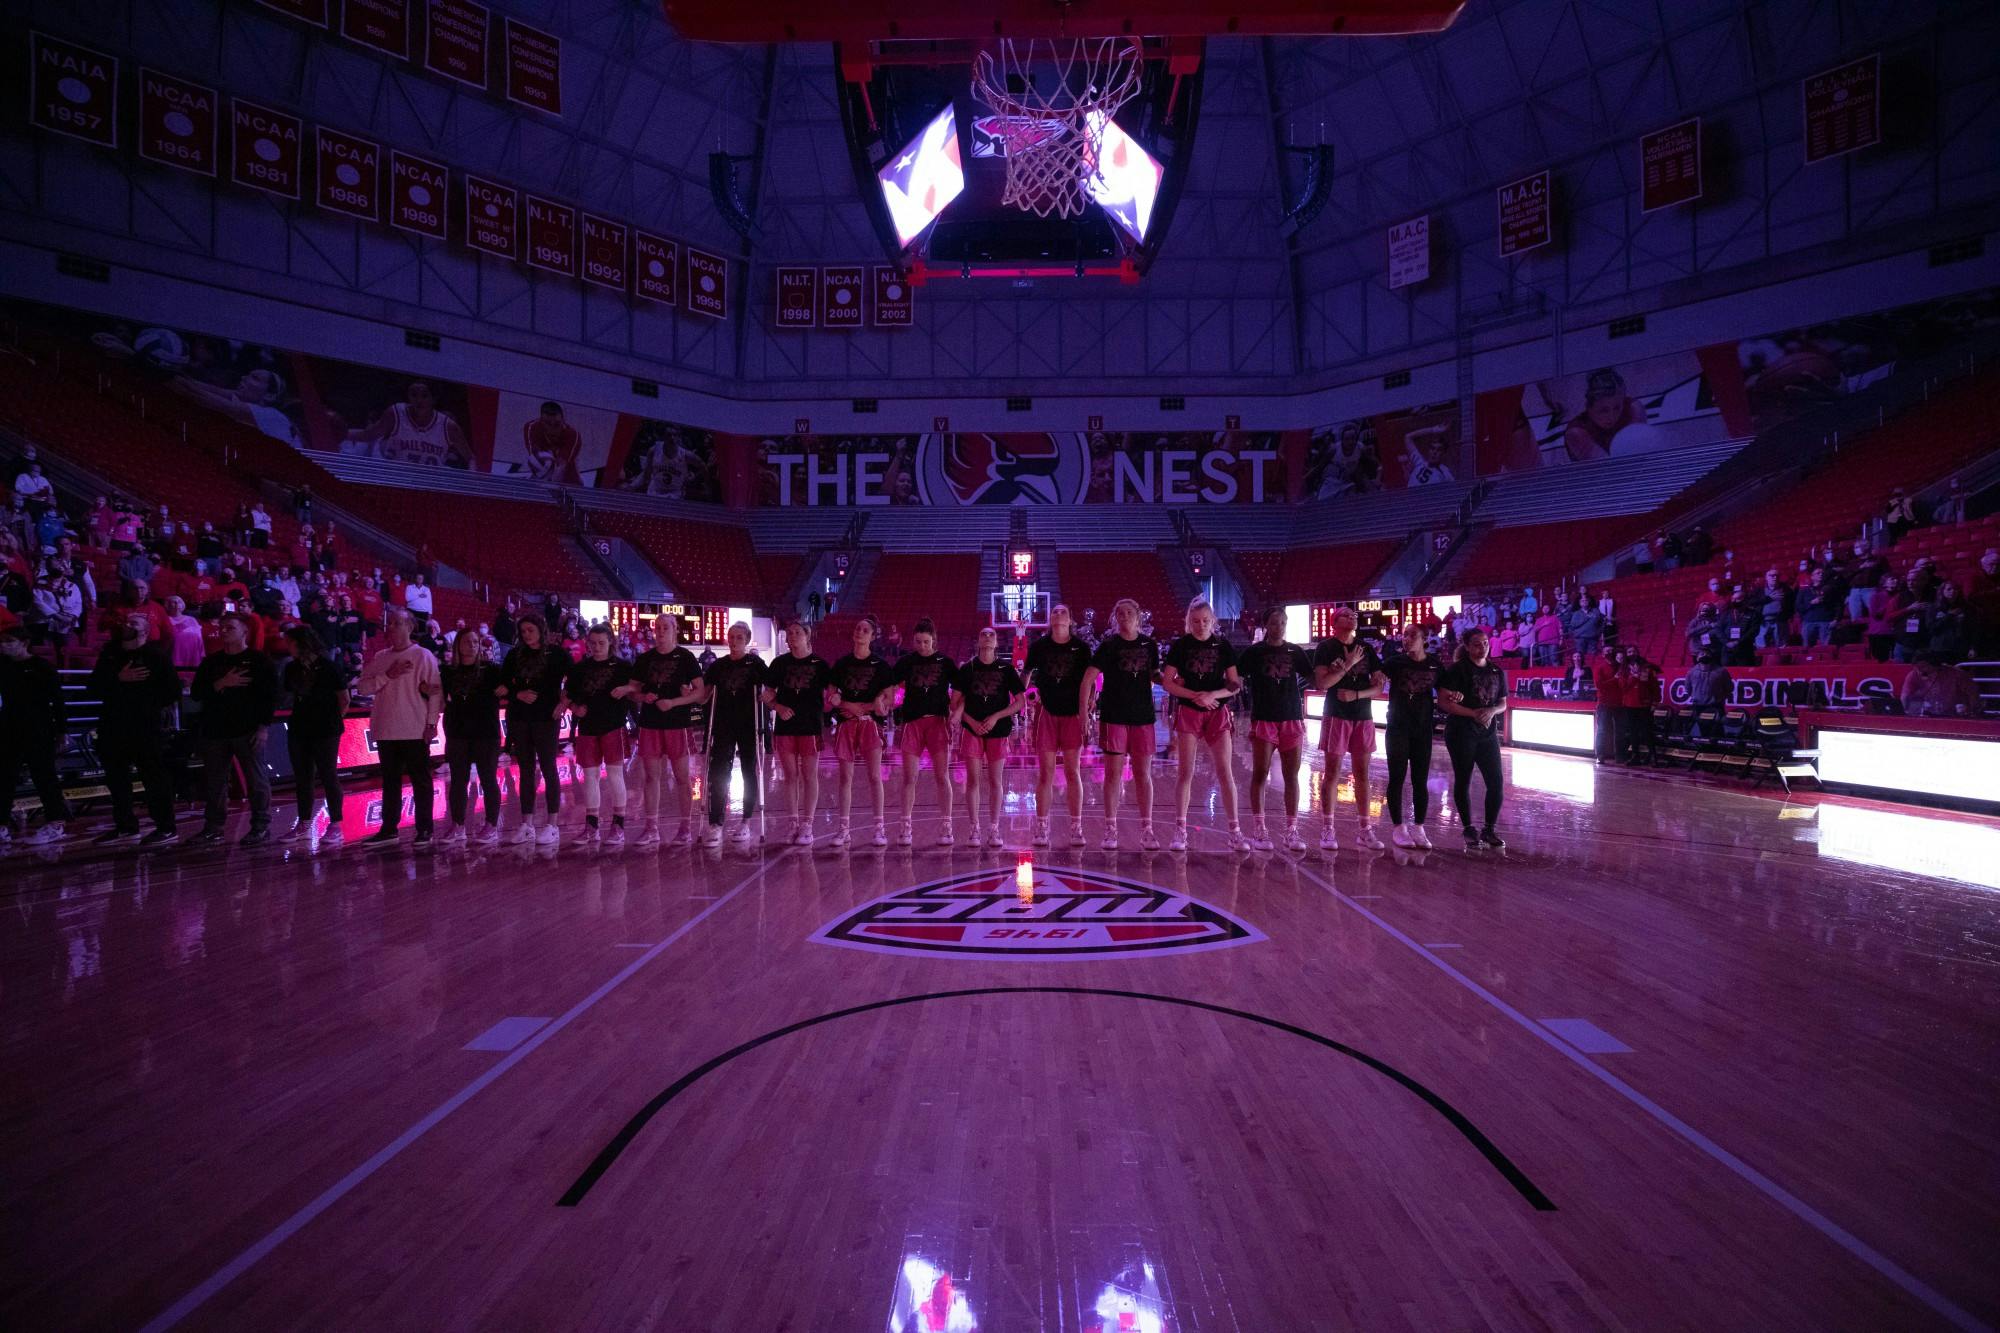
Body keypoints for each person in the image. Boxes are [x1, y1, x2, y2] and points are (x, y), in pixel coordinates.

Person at [90, 611, 184, 846]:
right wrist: (118, 678)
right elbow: (93, 687)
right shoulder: (111, 653)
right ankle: (125, 826)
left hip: (144, 725)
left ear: (145, 629)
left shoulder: (156, 656)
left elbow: (172, 690)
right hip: (112, 724)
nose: (127, 624)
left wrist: (147, 702)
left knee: (153, 776)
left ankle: (166, 827)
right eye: (126, 621)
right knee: (116, 777)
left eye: (134, 622)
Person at [1160, 597, 1247, 852]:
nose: (1201, 625)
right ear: (1189, 621)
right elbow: (1168, 681)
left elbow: (1234, 684)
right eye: (1196, 621)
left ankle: (1235, 831)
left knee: (1225, 773)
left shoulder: (1223, 645)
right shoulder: (1181, 645)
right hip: (1189, 711)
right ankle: (1180, 830)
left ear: (1213, 621)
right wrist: (1194, 696)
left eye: (1206, 621)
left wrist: (1213, 695)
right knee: (1185, 772)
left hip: (1217, 712)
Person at [189, 610, 278, 846]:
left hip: (247, 728)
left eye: (231, 628)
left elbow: (270, 697)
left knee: (256, 778)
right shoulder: (211, 662)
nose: (224, 631)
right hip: (215, 730)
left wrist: (263, 727)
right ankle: (214, 828)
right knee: (215, 781)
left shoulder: (260, 661)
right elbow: (196, 694)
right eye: (223, 627)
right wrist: (221, 683)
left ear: (245, 632)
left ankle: (261, 826)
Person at [355, 608, 441, 847]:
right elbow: (362, 688)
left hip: (414, 728)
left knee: (421, 781)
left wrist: (432, 723)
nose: (390, 627)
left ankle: (425, 829)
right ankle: (389, 829)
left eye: (396, 623)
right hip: (385, 729)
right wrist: (387, 676)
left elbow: (435, 693)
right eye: (389, 623)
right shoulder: (381, 657)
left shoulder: (424, 656)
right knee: (390, 782)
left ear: (410, 627)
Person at [1084, 598, 1161, 851]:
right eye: (1120, 613)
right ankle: (1110, 827)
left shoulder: (1150, 645)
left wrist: (1183, 686)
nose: (1125, 616)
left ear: (1138, 616)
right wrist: (1084, 710)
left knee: (1143, 775)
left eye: (1129, 612)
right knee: (1113, 776)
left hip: (1142, 717)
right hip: (1114, 716)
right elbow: (1088, 678)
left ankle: (1147, 829)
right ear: (1115, 618)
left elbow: (1157, 676)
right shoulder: (1108, 646)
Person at [1236, 606, 1314, 851]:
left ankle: (1291, 831)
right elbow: (1235, 678)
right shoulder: (1254, 652)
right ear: (1265, 625)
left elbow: (1315, 678)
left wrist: (1340, 667)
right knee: (1260, 773)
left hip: (1291, 718)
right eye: (1273, 622)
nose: (1278, 626)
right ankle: (1260, 830)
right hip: (1264, 719)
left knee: (1292, 776)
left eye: (1282, 622)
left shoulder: (1296, 652)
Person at [1313, 606, 1387, 852]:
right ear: (1335, 622)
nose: (1353, 616)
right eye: (1346, 614)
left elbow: (1379, 686)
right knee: (1332, 773)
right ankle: (1327, 829)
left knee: (1363, 774)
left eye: (1354, 615)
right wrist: (1348, 664)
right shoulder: (1326, 648)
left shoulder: (1366, 648)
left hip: (1362, 715)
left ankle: (1365, 830)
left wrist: (1357, 694)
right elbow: (1323, 683)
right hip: (1336, 716)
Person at [630, 612, 705, 849]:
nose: (661, 631)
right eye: (658, 627)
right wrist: (644, 696)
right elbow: (633, 692)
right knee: (651, 777)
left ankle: (685, 829)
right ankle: (651, 828)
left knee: (683, 778)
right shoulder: (644, 659)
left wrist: (673, 703)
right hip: (650, 724)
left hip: (677, 724)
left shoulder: (686, 657)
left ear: (674, 630)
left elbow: (700, 692)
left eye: (666, 627)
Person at [0, 616, 74, 846]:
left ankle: (56, 823)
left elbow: (58, 701)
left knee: (44, 776)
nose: (3, 645)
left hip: (39, 730)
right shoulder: (2, 667)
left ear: (24, 643)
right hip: (9, 729)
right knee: (4, 777)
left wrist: (62, 731)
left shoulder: (42, 668)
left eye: (9, 641)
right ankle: (2, 825)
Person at [563, 624, 639, 849]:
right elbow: (567, 696)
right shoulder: (580, 669)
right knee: (590, 777)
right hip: (587, 728)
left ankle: (618, 826)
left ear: (610, 643)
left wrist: (626, 691)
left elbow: (636, 690)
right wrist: (575, 708)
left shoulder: (623, 667)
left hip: (614, 727)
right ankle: (592, 826)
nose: (596, 647)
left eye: (601, 643)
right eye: (593, 643)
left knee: (616, 775)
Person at [1025, 604, 1093, 848]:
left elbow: (1090, 680)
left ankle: (1076, 827)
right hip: (1047, 714)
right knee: (1046, 774)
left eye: (1063, 611)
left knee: (1073, 772)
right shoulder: (1039, 647)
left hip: (1073, 715)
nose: (1058, 614)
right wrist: (1023, 696)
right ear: (1050, 619)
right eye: (1054, 611)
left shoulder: (1082, 648)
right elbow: (1025, 676)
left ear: (1070, 619)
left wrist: (1087, 709)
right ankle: (1042, 826)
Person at [952, 627, 1026, 848]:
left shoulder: (1006, 668)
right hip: (972, 730)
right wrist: (971, 721)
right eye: (983, 634)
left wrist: (996, 716)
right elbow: (954, 703)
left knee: (995, 781)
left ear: (996, 642)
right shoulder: (967, 668)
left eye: (991, 635)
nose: (987, 637)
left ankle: (994, 828)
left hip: (998, 730)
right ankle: (974, 828)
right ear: (978, 640)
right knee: (973, 781)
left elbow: (1021, 702)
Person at [276, 626, 348, 845]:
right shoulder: (291, 668)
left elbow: (344, 699)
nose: (287, 647)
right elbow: (289, 696)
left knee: (328, 775)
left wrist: (334, 720)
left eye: (290, 642)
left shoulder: (329, 667)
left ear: (302, 643)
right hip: (300, 727)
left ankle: (336, 825)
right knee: (303, 778)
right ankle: (304, 824)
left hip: (326, 728)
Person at [828, 616, 896, 847]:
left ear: (873, 636)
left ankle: (879, 828)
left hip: (869, 724)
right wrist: (844, 703)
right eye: (857, 628)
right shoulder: (841, 664)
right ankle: (843, 829)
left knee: (875, 776)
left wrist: (870, 705)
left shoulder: (881, 666)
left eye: (865, 629)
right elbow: (832, 695)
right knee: (845, 777)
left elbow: (889, 698)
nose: (860, 632)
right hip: (847, 724)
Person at [1437, 628, 1507, 850]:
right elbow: (1444, 702)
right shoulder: (1457, 670)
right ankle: (1468, 828)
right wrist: (1474, 713)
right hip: (1461, 732)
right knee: (1463, 778)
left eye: (1485, 642)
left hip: (1487, 735)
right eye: (1477, 644)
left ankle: (1489, 829)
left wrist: (1492, 710)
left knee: (1496, 782)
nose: (1483, 647)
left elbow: (1503, 703)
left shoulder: (1497, 671)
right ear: (1467, 647)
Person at [501, 614, 569, 845]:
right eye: (523, 631)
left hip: (546, 719)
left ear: (541, 629)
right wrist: (517, 694)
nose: (526, 635)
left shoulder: (557, 654)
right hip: (520, 718)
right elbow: (503, 685)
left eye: (530, 630)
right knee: (526, 771)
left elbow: (576, 678)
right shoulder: (514, 655)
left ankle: (552, 825)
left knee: (549, 768)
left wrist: (564, 702)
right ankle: (527, 824)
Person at [764, 619, 832, 846]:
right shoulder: (779, 663)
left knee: (809, 775)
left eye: (796, 632)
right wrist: (777, 707)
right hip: (785, 727)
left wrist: (835, 699)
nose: (791, 636)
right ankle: (793, 822)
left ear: (807, 636)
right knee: (790, 776)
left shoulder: (820, 665)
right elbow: (767, 695)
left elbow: (832, 692)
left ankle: (807, 824)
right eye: (789, 632)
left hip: (810, 726)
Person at [893, 618, 959, 846]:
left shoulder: (945, 662)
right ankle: (905, 825)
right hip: (912, 723)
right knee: (910, 777)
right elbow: (889, 684)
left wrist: (957, 711)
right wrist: (886, 700)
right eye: (918, 642)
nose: (922, 646)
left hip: (938, 724)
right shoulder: (906, 662)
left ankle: (946, 825)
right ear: (913, 641)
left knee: (942, 777)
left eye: (926, 642)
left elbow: (962, 689)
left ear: (934, 641)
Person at [440, 628, 507, 847]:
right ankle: (457, 825)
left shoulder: (492, 670)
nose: (472, 645)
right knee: (458, 780)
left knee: (488, 779)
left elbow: (509, 687)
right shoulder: (448, 671)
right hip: (457, 731)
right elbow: (435, 696)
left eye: (476, 642)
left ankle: (491, 825)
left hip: (485, 732)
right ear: (458, 644)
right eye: (467, 641)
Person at [702, 621, 766, 847]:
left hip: (749, 724)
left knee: (749, 770)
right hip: (723, 724)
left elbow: (768, 689)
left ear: (747, 640)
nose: (734, 641)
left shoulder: (756, 664)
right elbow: (705, 694)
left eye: (739, 637)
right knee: (719, 771)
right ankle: (715, 823)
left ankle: (746, 821)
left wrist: (766, 696)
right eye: (731, 636)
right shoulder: (718, 666)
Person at [1380, 621, 1439, 848]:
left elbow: (1446, 690)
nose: (1406, 639)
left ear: (1424, 638)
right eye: (1404, 635)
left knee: (1420, 780)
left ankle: (1419, 828)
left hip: (1423, 729)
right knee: (1396, 777)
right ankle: (1398, 828)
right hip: (1397, 728)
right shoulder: (1395, 663)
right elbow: (1377, 677)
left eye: (1412, 635)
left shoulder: (1434, 665)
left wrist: (1455, 697)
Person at [1900, 654, 1984, 719]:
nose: (1919, 671)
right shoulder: (1913, 675)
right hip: (1928, 716)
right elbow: (1905, 696)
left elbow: (1974, 694)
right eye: (1917, 667)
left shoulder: (1957, 674)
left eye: (1923, 667)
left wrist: (1971, 711)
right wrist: (1908, 711)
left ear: (1935, 665)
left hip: (1955, 716)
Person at [1593, 648, 1628, 764]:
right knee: (1602, 730)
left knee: (1620, 730)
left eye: (1611, 650)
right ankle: (1600, 755)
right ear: (1603, 654)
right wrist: (1614, 679)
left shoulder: (1621, 667)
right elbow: (1599, 685)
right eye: (1607, 651)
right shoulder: (1600, 667)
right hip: (1604, 703)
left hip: (1619, 703)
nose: (1610, 653)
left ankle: (1620, 756)